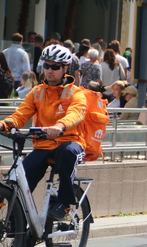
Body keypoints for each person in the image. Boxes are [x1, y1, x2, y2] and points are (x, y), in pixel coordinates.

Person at [0, 45, 87, 221]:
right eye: (46, 66)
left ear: (65, 68)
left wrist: (61, 126)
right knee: (21, 177)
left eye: (55, 67)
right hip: (44, 145)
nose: (49, 70)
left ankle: (64, 203)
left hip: (70, 142)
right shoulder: (37, 92)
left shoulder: (75, 93)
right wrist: (4, 125)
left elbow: (76, 113)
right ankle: (16, 224)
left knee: (67, 153)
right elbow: (20, 115)